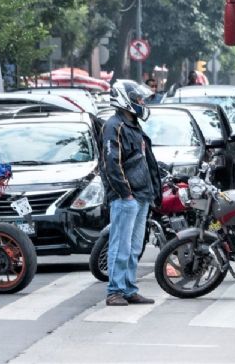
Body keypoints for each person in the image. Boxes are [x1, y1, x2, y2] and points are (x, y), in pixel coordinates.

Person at [102, 80, 162, 306]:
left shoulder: (133, 125)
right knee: (121, 246)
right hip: (126, 197)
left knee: (135, 246)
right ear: (125, 100)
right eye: (138, 99)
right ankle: (114, 291)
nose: (142, 103)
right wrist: (125, 194)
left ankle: (129, 288)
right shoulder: (113, 126)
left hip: (141, 195)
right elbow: (111, 164)